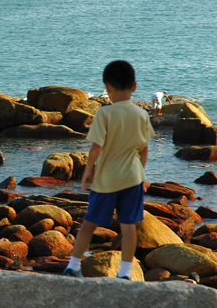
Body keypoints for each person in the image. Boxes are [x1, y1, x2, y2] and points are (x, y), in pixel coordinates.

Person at [63, 60, 155, 280]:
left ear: (107, 88)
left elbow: (96, 147)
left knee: (89, 223)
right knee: (129, 227)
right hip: (132, 178)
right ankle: (124, 273)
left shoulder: (104, 113)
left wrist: (87, 171)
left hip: (106, 179)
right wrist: (139, 172)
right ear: (134, 86)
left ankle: (73, 266)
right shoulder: (142, 115)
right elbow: (144, 150)